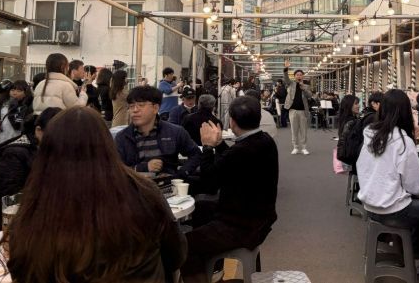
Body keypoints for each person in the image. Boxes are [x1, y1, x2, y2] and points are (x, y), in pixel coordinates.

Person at [0, 107, 185, 283]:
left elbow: (21, 268)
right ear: (108, 144)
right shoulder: (142, 191)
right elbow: (176, 255)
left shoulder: (38, 202)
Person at [181, 96, 278, 283]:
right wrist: (219, 145)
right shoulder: (264, 140)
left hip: (241, 225)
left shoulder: (241, 151)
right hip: (259, 218)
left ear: (231, 121)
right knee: (201, 208)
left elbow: (209, 183)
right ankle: (214, 267)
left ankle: (203, 271)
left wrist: (207, 147)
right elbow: (231, 162)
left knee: (185, 245)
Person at [357, 90, 419, 259]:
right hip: (394, 210)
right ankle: (418, 255)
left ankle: (401, 247)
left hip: (370, 205)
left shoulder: (370, 134)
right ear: (405, 112)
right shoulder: (402, 141)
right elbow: (416, 187)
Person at [0, 107, 61, 231]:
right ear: (38, 131)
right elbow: (10, 198)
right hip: (17, 224)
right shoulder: (14, 154)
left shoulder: (49, 151)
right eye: (57, 135)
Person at [115, 86, 201, 180]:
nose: (135, 110)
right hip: (134, 186)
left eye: (141, 105)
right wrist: (143, 167)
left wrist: (181, 174)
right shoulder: (123, 137)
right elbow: (115, 169)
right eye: (131, 106)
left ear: (155, 108)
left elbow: (196, 154)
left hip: (167, 186)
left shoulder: (174, 132)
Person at [0, 80, 34, 149]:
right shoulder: (4, 103)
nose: (14, 93)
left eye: (19, 91)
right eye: (12, 90)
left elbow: (17, 125)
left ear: (25, 93)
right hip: (1, 137)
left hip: (17, 140)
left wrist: (14, 105)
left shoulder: (27, 106)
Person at [283, 60, 313, 155]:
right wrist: (286, 68)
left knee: (303, 130)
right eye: (297, 75)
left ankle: (304, 148)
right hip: (292, 110)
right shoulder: (290, 84)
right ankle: (295, 147)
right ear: (294, 76)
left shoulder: (306, 86)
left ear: (303, 76)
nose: (299, 76)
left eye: (300, 75)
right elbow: (286, 78)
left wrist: (303, 88)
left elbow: (309, 95)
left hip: (303, 111)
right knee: (294, 130)